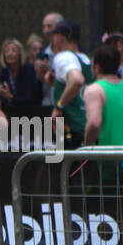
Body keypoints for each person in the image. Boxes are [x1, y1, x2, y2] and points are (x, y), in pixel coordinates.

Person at [47, 19, 92, 150]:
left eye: (54, 36)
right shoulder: (86, 60)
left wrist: (59, 106)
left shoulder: (63, 57)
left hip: (72, 130)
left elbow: (77, 80)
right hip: (90, 130)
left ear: (60, 38)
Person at [0, 38, 42, 121]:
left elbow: (31, 98)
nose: (10, 54)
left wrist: (10, 97)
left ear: (20, 54)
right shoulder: (4, 71)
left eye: (14, 50)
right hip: (10, 116)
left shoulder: (29, 70)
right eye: (7, 51)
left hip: (30, 117)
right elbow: (2, 98)